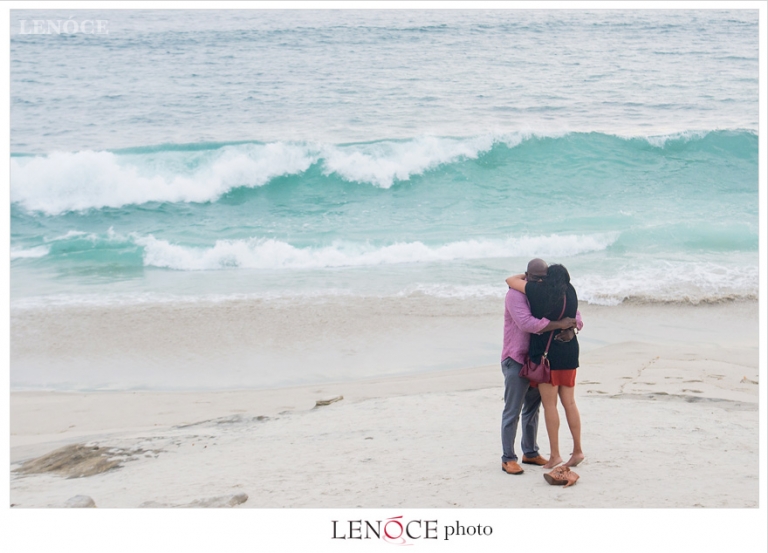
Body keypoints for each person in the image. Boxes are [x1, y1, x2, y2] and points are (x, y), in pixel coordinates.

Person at [500, 258, 578, 475]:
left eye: (543, 279)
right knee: (512, 410)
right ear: (526, 276)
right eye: (534, 278)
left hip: (537, 359)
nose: (538, 282)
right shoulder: (515, 295)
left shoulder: (547, 292)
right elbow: (527, 324)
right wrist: (560, 325)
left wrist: (573, 327)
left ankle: (531, 452)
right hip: (515, 357)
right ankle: (508, 458)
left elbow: (573, 312)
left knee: (532, 409)